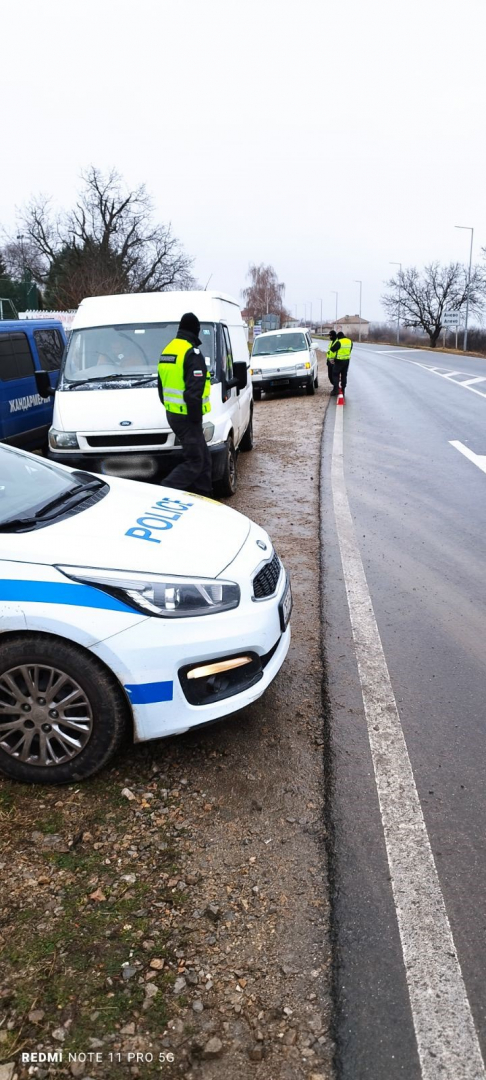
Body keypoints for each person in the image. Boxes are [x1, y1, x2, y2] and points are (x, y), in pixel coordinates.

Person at [157, 312, 212, 496]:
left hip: (173, 414)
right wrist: (195, 419)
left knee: (204, 459)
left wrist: (171, 408)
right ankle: (164, 492)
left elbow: (161, 388)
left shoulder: (168, 350)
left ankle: (205, 498)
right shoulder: (191, 352)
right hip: (188, 417)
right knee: (195, 461)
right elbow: (193, 393)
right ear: (196, 330)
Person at [328, 331, 353, 396]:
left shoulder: (339, 341)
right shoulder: (350, 341)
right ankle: (343, 389)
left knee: (335, 374)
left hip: (339, 361)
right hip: (347, 361)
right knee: (344, 375)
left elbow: (332, 349)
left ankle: (335, 390)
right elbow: (350, 350)